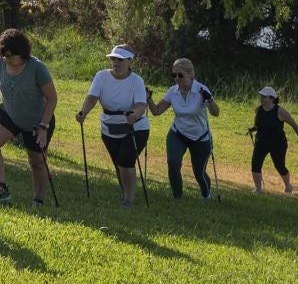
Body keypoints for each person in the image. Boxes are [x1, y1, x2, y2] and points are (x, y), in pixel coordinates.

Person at [0, 27, 58, 205]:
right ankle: (1, 188)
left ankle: (38, 199)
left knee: (36, 161)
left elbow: (52, 98)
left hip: (37, 120)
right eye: (5, 56)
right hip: (10, 114)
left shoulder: (37, 68)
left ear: (22, 53)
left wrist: (44, 126)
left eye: (12, 56)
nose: (8, 60)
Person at [76, 45, 151, 208]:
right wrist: (83, 112)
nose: (115, 62)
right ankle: (124, 193)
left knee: (125, 161)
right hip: (109, 127)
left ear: (130, 61)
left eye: (120, 59)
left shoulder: (136, 80)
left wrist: (135, 116)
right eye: (113, 59)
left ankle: (128, 200)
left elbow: (140, 104)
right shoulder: (101, 76)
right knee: (118, 163)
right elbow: (92, 98)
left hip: (136, 128)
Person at [151, 58, 219, 199]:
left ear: (191, 74)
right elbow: (157, 111)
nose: (176, 78)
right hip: (178, 133)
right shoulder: (172, 91)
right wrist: (148, 99)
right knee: (173, 162)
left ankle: (206, 195)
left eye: (180, 75)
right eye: (173, 75)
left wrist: (209, 100)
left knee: (199, 172)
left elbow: (215, 113)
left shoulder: (201, 89)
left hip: (200, 137)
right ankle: (177, 197)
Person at [248, 87, 298, 194]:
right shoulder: (258, 110)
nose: (261, 98)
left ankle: (288, 186)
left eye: (264, 97)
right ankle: (258, 189)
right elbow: (257, 125)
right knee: (255, 163)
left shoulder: (280, 111)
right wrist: (253, 129)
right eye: (261, 96)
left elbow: (294, 125)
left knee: (279, 166)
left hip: (277, 143)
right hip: (261, 141)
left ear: (271, 98)